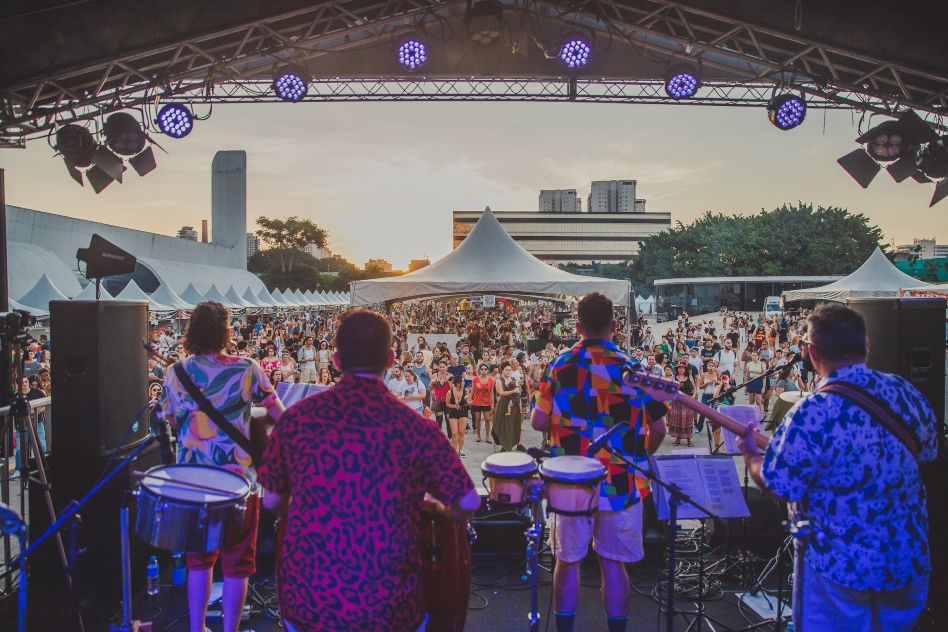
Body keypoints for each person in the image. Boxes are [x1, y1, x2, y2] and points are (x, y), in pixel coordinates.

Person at [258, 309, 479, 632]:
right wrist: (430, 506)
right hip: (389, 608)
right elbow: (468, 501)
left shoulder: (296, 419)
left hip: (307, 601)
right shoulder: (416, 428)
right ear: (391, 359)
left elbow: (272, 500)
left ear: (335, 360)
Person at [737, 303, 937, 632]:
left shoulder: (813, 411)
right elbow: (928, 454)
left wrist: (751, 456)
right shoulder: (906, 394)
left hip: (839, 568)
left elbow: (781, 484)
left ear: (812, 354)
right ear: (867, 345)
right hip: (906, 560)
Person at [532, 293, 668, 632]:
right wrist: (638, 458)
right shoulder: (633, 369)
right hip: (620, 481)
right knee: (613, 562)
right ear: (614, 326)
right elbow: (660, 426)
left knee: (567, 560)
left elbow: (537, 421)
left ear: (576, 326)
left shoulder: (559, 365)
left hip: (572, 484)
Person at [160, 302, 285, 632]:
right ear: (228, 332)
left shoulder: (176, 373)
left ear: (192, 332)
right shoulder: (247, 369)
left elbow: (172, 420)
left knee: (199, 561)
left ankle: (198, 627)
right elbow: (279, 415)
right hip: (238, 482)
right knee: (237, 564)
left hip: (193, 482)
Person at [493, 362, 522, 452]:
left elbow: (518, 391)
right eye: (506, 370)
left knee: (513, 425)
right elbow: (501, 393)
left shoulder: (513, 379)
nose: (508, 371)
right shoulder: (499, 380)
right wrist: (514, 391)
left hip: (514, 405)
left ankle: (509, 445)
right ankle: (504, 445)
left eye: (510, 369)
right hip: (504, 405)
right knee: (504, 425)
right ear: (502, 370)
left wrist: (518, 392)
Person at [668, 361, 696, 447]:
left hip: (688, 402)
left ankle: (689, 439)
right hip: (677, 403)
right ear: (677, 369)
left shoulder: (689, 377)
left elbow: (694, 388)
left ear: (685, 369)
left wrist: (693, 396)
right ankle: (678, 438)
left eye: (682, 368)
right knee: (678, 420)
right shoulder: (673, 377)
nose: (681, 369)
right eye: (679, 368)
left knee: (688, 420)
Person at [445, 375, 469, 456]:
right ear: (457, 383)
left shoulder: (466, 391)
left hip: (463, 412)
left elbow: (467, 402)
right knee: (454, 433)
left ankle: (461, 450)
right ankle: (455, 451)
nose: (463, 382)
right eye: (462, 381)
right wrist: (454, 406)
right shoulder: (450, 392)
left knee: (461, 432)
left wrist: (468, 402)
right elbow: (447, 404)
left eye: (463, 381)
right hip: (453, 413)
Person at [470, 364, 494, 443]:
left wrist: (492, 403)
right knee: (477, 419)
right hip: (476, 401)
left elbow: (492, 393)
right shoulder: (475, 379)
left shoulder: (491, 380)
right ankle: (478, 436)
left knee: (487, 419)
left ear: (487, 371)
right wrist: (469, 399)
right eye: (482, 369)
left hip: (487, 402)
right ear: (479, 370)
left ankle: (487, 437)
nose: (483, 370)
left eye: (485, 369)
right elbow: (472, 390)